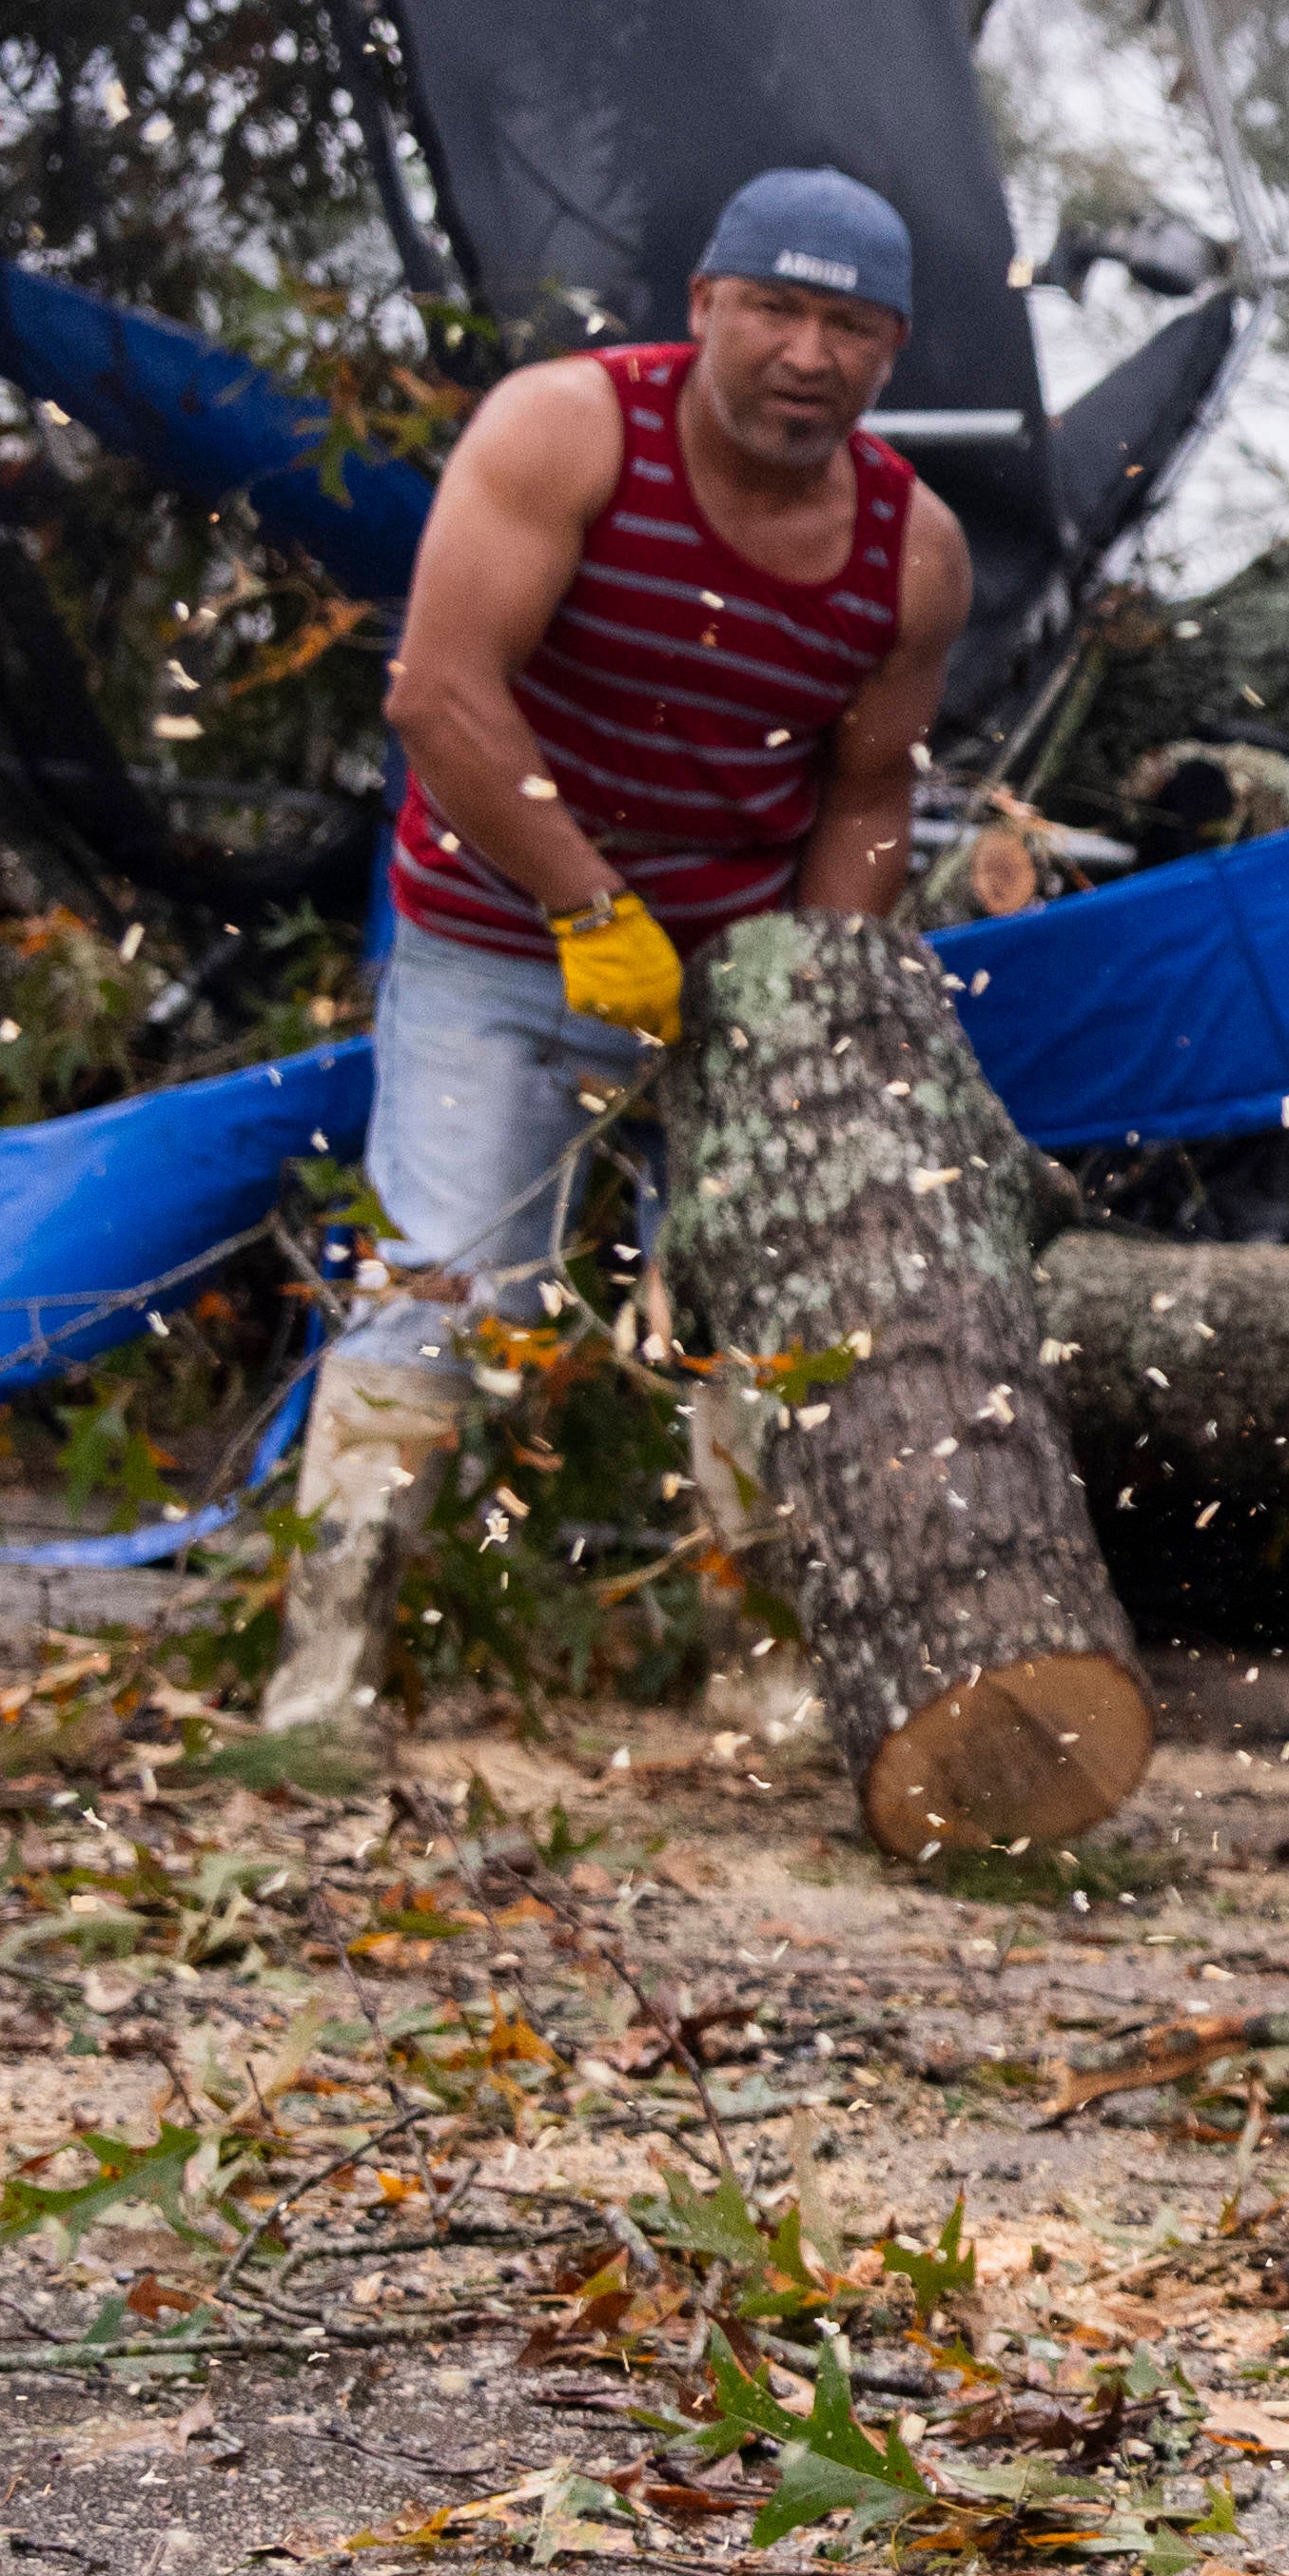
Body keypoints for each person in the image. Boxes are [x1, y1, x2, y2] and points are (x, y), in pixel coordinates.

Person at [265, 166, 965, 1760]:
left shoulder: (909, 551)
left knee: (752, 1305)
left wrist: (814, 991)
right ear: (706, 308)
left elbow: (868, 789)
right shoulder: (567, 430)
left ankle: (764, 1673)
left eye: (847, 325)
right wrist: (585, 909)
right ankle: (327, 1668)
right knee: (440, 1278)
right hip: (497, 936)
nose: (806, 351)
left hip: (735, 963)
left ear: (889, 351)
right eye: (775, 308)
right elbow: (441, 692)